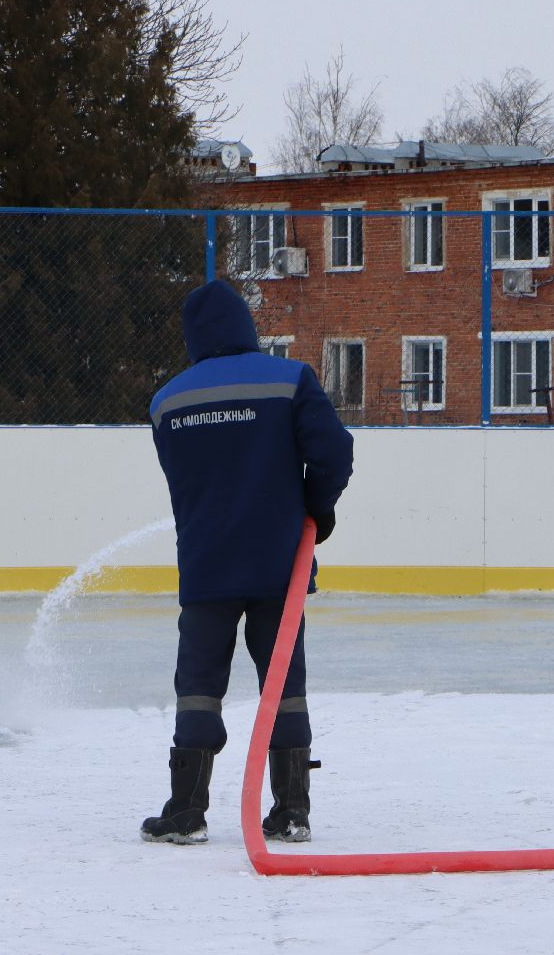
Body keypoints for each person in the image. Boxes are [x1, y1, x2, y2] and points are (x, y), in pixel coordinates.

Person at [141, 279, 353, 845]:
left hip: (207, 566)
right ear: (245, 325)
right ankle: (291, 811)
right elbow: (334, 451)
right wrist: (316, 509)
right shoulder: (290, 380)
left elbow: (191, 482)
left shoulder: (168, 401)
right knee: (284, 683)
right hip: (278, 564)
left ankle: (185, 809)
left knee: (198, 685)